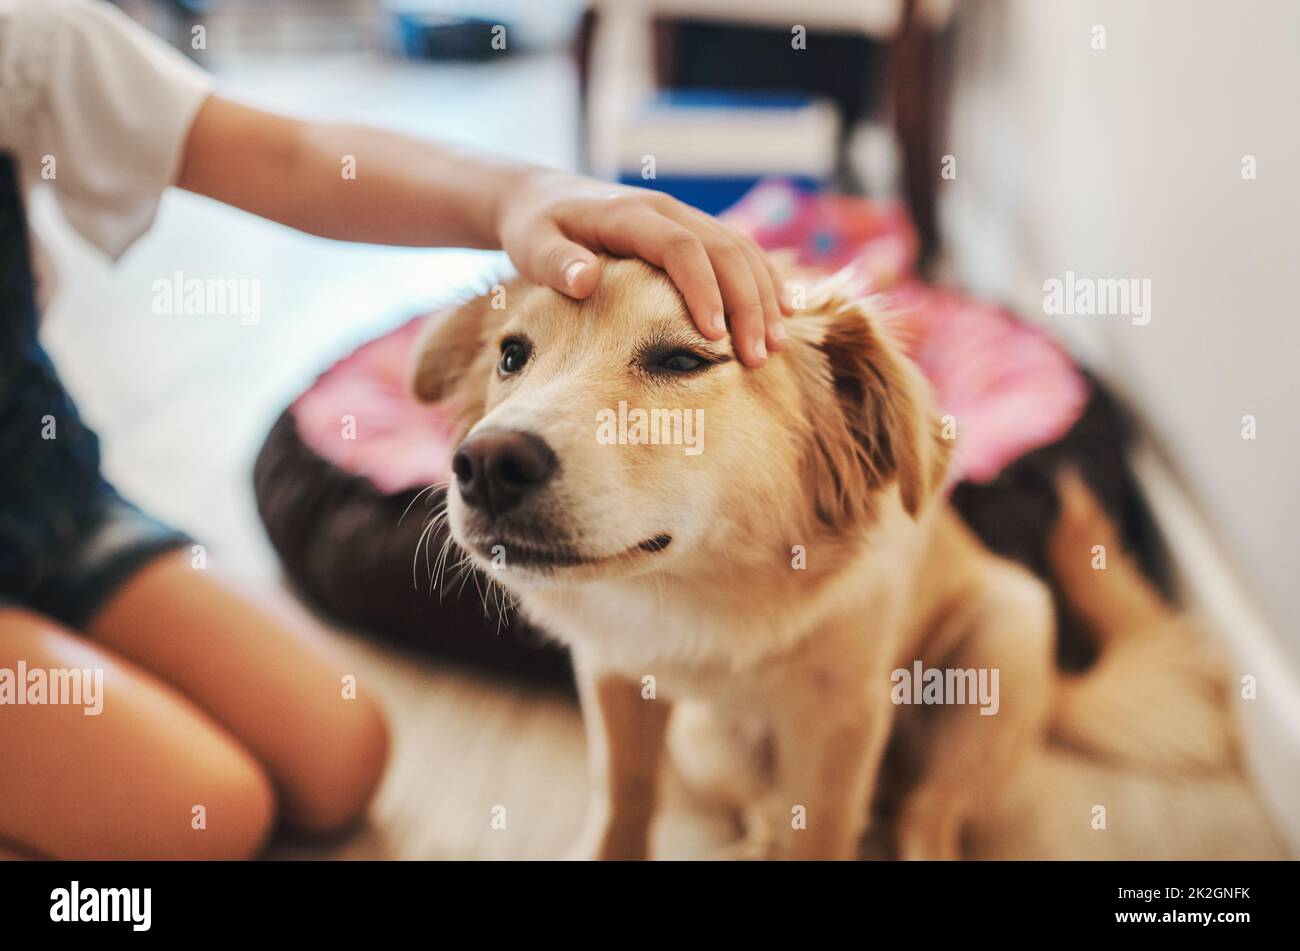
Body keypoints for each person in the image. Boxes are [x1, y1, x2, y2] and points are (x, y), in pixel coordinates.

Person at [0, 0, 788, 859]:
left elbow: (293, 154)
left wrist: (520, 192)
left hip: (42, 492)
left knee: (340, 751)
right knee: (204, 819)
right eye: (518, 355)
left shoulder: (25, 35)